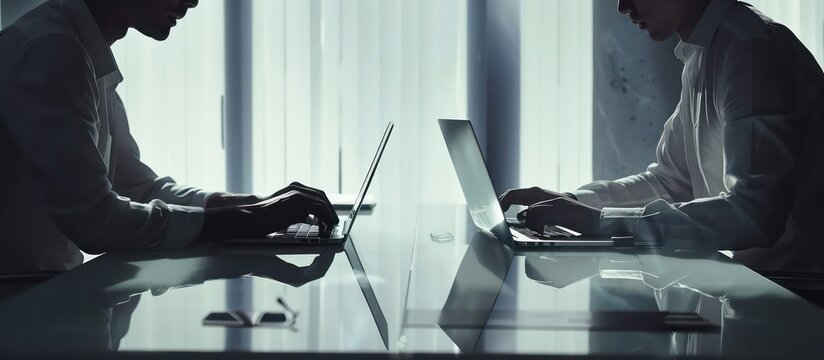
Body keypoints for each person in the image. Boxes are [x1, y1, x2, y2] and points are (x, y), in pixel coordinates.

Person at [0, 0, 339, 275]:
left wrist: (255, 204)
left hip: (47, 299)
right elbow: (95, 220)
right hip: (19, 311)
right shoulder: (52, 51)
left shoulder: (81, 52)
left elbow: (138, 188)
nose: (193, 1)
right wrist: (251, 220)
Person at [501, 0, 824, 273]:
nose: (622, 6)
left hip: (801, 304)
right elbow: (670, 182)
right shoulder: (708, 51)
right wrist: (575, 203)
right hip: (765, 294)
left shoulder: (748, 50)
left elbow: (754, 215)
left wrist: (600, 221)